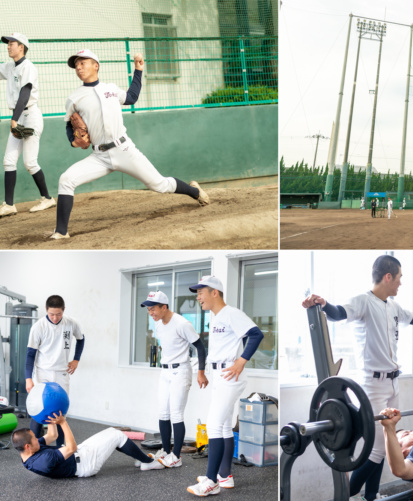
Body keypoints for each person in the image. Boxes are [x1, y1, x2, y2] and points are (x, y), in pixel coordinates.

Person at [301, 255, 413, 501]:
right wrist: (323, 304)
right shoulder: (362, 302)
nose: (401, 283)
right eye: (399, 278)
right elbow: (337, 313)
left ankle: (371, 496)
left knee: (383, 446)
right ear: (388, 277)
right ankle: (349, 495)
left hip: (392, 383)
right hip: (371, 385)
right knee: (378, 449)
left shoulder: (392, 306)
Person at [48, 49, 209, 239]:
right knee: (66, 180)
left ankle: (194, 191)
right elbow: (69, 124)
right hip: (99, 156)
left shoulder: (111, 89)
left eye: (83, 62)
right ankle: (61, 232)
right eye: (76, 65)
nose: (78, 67)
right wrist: (73, 141)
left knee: (160, 184)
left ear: (96, 65)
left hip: (124, 149)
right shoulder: (74, 98)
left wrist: (138, 70)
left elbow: (132, 97)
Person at [187, 276, 264, 496]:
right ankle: (225, 476)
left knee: (213, 425)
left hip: (230, 373)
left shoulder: (231, 313)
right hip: (221, 374)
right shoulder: (216, 317)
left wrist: (241, 361)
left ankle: (211, 482)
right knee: (223, 427)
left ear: (215, 293)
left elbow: (256, 334)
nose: (198, 297)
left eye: (201, 292)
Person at [0, 33, 55, 218]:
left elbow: (25, 93)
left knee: (30, 162)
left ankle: (47, 198)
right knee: (8, 161)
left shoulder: (28, 67)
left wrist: (14, 118)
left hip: (30, 116)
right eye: (8, 44)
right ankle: (9, 205)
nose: (8, 46)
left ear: (21, 47)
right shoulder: (10, 66)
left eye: (11, 44)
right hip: (19, 116)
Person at [140, 291, 208, 469]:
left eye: (153, 309)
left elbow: (200, 347)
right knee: (163, 412)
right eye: (148, 310)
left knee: (176, 414)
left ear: (164, 307)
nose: (151, 313)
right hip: (165, 372)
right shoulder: (159, 324)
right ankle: (165, 450)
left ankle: (176, 456)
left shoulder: (182, 323)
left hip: (181, 371)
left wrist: (201, 372)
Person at [13, 411, 160, 477]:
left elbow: (52, 435)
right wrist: (63, 422)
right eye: (34, 438)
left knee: (110, 431)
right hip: (85, 464)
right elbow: (71, 447)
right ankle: (148, 462)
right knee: (117, 435)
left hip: (79, 455)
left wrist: (49, 415)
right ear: (27, 446)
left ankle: (140, 458)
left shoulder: (28, 451)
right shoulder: (42, 461)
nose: (37, 438)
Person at [25, 295, 85, 448]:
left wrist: (76, 359)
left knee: (60, 411)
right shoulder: (38, 327)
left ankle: (60, 448)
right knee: (38, 408)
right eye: (52, 314)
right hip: (42, 372)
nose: (55, 317)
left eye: (58, 314)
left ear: (63, 310)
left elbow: (81, 338)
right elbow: (30, 354)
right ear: (46, 310)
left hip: (61, 373)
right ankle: (34, 447)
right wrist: (28, 378)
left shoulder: (71, 323)